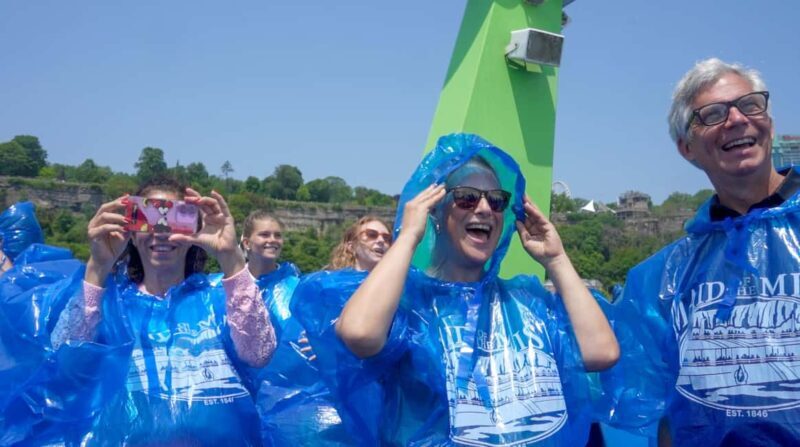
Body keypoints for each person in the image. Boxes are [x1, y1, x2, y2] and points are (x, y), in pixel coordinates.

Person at [293, 133, 619, 446]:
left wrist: (557, 259)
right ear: (435, 210)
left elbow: (601, 352)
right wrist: (407, 237)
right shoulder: (412, 304)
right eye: (466, 197)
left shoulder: (525, 303)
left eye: (496, 200)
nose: (484, 208)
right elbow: (360, 334)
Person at [601, 58, 800, 446]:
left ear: (769, 124)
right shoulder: (657, 281)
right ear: (686, 147)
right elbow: (656, 409)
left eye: (750, 105)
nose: (737, 119)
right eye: (712, 114)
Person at [49, 178, 275, 446]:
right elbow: (64, 365)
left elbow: (258, 354)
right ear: (131, 232)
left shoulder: (221, 296)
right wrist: (97, 267)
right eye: (148, 218)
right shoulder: (108, 303)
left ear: (193, 233)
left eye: (175, 220)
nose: (161, 232)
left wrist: (231, 257)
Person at [255, 214, 392, 446]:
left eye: (387, 238)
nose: (381, 241)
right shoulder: (323, 286)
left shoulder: (397, 293)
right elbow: (294, 350)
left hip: (373, 408)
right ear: (351, 244)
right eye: (371, 235)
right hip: (320, 410)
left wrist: (334, 347)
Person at [327, 215, 392, 272]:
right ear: (351, 246)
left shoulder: (398, 284)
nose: (381, 240)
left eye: (386, 238)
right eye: (372, 234)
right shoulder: (329, 282)